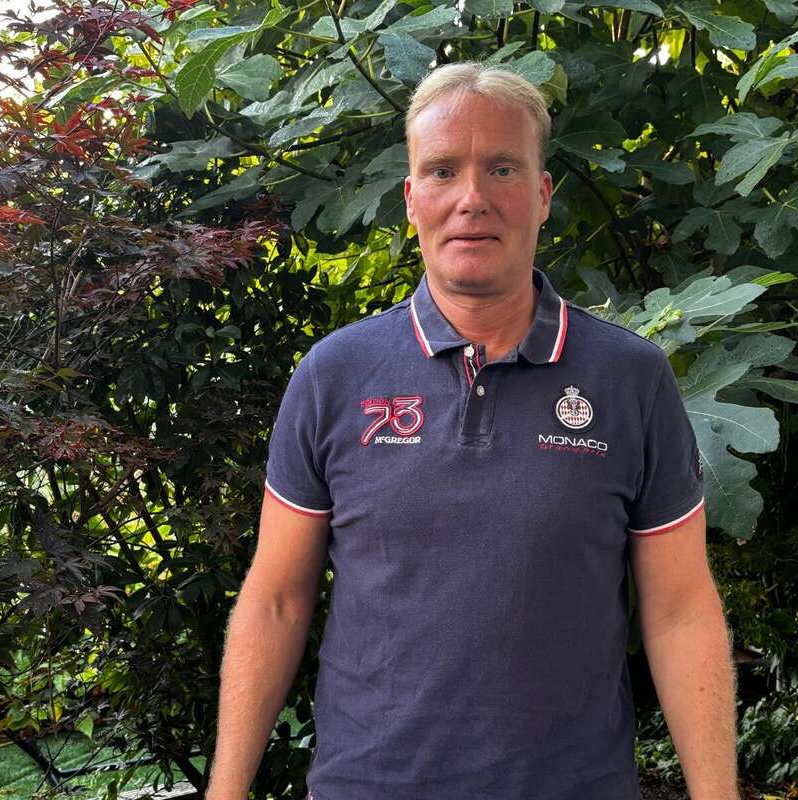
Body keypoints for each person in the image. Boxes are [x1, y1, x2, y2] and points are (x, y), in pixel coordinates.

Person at [206, 62, 739, 800]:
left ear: (543, 195)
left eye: (502, 169)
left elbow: (680, 612)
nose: (472, 198)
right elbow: (275, 601)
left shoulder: (631, 380)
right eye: (443, 171)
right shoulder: (334, 375)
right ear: (411, 199)